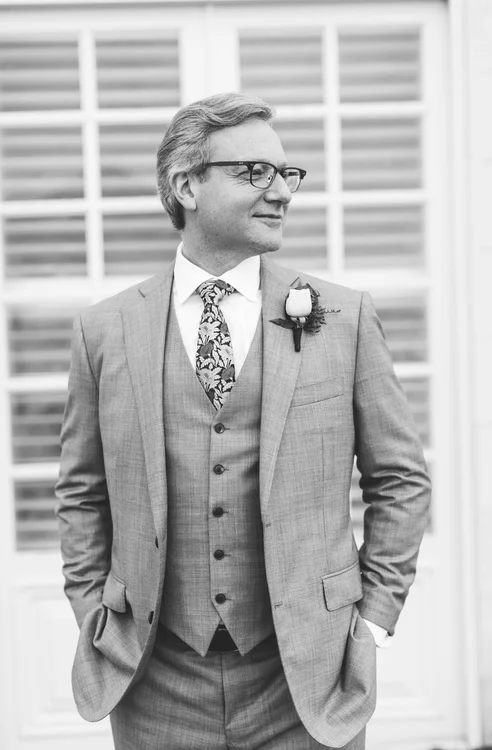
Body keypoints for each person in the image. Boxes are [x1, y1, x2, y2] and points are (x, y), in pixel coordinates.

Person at [55, 92, 431, 750]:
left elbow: (401, 480)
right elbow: (82, 492)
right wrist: (94, 611)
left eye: (285, 173)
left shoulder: (343, 318)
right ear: (187, 186)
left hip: (309, 678)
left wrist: (372, 622)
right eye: (254, 172)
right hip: (152, 678)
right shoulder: (104, 331)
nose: (280, 191)